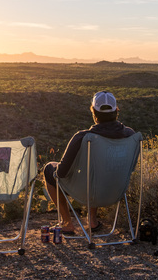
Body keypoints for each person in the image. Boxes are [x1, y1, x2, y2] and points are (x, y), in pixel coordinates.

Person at [43, 90, 135, 235]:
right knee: (98, 169)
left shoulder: (84, 137)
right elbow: (131, 168)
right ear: (117, 111)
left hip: (86, 191)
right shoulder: (131, 135)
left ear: (93, 112)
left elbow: (61, 173)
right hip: (116, 190)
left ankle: (67, 223)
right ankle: (92, 220)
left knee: (49, 169)